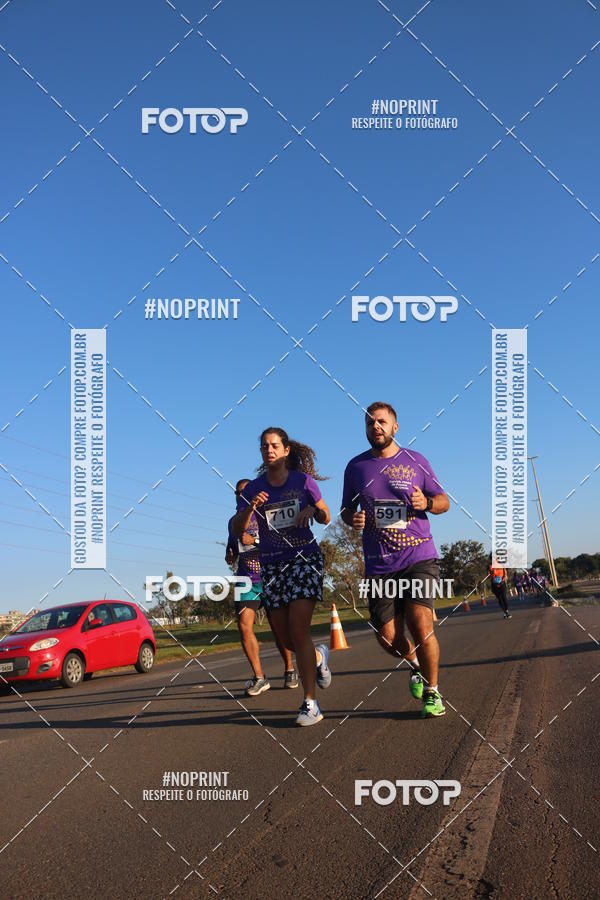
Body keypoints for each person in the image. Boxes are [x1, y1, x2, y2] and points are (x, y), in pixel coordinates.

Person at [341, 402, 450, 718]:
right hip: (379, 565)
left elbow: (444, 502)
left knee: (421, 623)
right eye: (370, 423)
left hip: (419, 555)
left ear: (395, 427)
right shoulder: (356, 467)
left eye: (382, 421)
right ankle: (415, 665)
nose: (376, 426)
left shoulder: (416, 460)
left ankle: (432, 692)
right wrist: (353, 519)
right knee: (387, 638)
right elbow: (347, 509)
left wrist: (426, 501)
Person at [233, 428, 332, 726]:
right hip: (272, 566)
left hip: (304, 558)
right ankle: (317, 657)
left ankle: (310, 703)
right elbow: (239, 530)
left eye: (274, 445)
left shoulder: (303, 482)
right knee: (285, 637)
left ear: (286, 450)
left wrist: (313, 510)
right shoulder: (253, 490)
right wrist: (251, 507)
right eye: (264, 446)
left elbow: (326, 514)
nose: (269, 450)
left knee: (298, 629)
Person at [226, 479, 297, 697]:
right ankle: (259, 677)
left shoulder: (268, 515)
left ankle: (290, 669)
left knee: (279, 629)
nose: (240, 495)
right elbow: (232, 551)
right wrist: (230, 555)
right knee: (243, 625)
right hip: (245, 579)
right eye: (237, 493)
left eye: (244, 491)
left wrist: (255, 542)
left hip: (270, 576)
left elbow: (284, 544)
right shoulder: (233, 521)